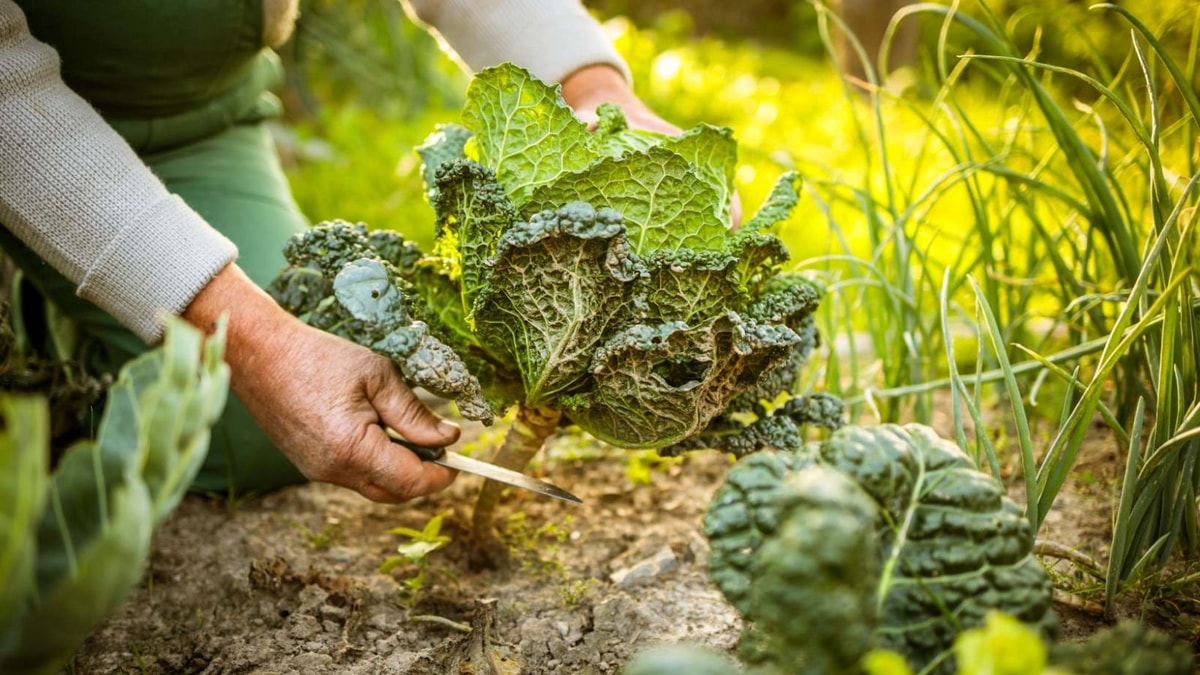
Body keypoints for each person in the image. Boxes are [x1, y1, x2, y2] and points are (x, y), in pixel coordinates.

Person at [0, 0, 681, 503]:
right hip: (22, 138)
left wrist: (591, 91)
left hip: (196, 124)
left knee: (258, 431)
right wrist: (257, 343)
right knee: (237, 386)